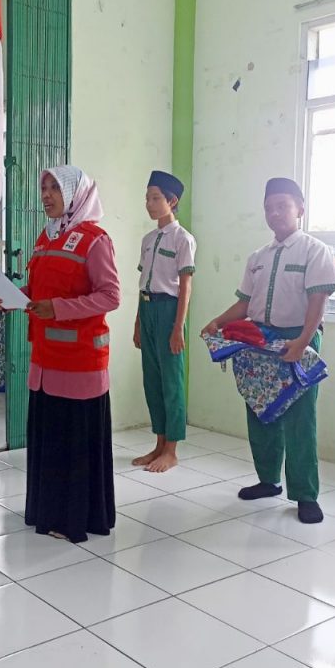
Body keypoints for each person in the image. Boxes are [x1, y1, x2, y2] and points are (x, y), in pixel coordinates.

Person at [0, 165, 120, 543]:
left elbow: (110, 295)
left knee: (73, 443)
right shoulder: (46, 238)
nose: (46, 195)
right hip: (45, 360)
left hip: (79, 361)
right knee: (50, 440)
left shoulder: (95, 240)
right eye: (43, 187)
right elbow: (37, 292)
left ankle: (74, 518)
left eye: (55, 188)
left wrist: (59, 309)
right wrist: (10, 298)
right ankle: (46, 512)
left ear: (76, 194)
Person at [202, 177, 335, 524]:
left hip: (297, 340)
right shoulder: (257, 258)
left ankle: (305, 494)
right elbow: (245, 304)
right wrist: (217, 321)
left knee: (300, 419)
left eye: (282, 206)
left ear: (300, 209)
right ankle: (268, 480)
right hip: (260, 342)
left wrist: (303, 341)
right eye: (268, 208)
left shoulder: (314, 250)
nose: (274, 213)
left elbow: (318, 301)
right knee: (260, 409)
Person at [132, 170, 195, 472]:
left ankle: (171, 450)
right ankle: (158, 445)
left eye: (156, 198)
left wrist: (178, 328)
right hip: (147, 310)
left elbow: (185, 287)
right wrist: (137, 323)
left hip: (169, 312)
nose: (150, 204)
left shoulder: (184, 239)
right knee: (152, 380)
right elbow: (143, 282)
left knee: (171, 382)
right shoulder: (148, 240)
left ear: (172, 201)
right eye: (147, 198)